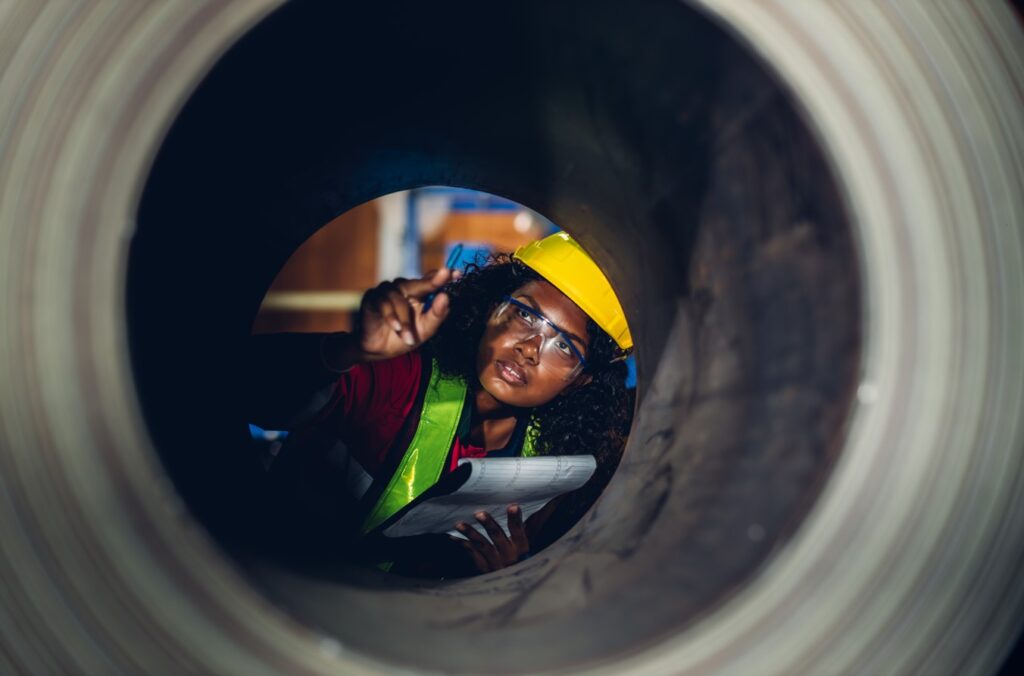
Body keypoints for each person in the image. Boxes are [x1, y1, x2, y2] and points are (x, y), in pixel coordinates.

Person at [245, 232, 633, 577]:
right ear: (488, 311)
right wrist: (350, 349)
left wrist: (507, 576)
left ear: (579, 381)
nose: (529, 349)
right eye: (524, 314)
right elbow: (250, 391)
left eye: (564, 345)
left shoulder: (549, 466)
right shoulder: (402, 378)